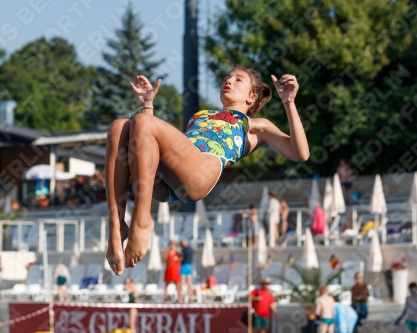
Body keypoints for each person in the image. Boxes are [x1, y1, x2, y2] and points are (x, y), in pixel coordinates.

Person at [104, 65, 310, 274]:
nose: (228, 81)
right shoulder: (201, 115)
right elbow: (152, 143)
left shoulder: (255, 125)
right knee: (118, 127)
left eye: (238, 79)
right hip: (168, 179)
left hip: (201, 174)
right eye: (226, 78)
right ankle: (117, 224)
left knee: (141, 121)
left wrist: (288, 102)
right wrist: (148, 104)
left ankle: (142, 221)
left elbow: (300, 153)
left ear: (252, 97)